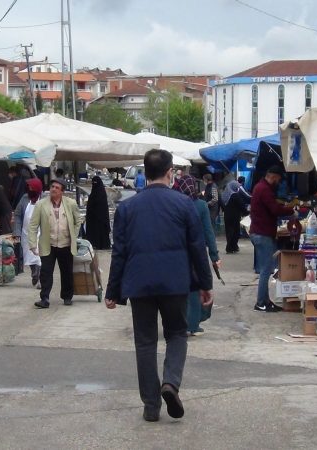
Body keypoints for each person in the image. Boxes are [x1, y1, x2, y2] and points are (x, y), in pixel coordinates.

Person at [105, 149, 213, 422]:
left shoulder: (127, 208)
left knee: (145, 342)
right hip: (175, 282)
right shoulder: (184, 204)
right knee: (176, 334)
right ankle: (171, 383)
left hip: (139, 283)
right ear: (170, 172)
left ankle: (151, 406)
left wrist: (112, 291)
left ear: (145, 172)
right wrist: (205, 284)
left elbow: (119, 252)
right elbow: (197, 247)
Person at [173, 175, 220, 336]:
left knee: (180, 288)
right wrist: (214, 255)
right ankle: (192, 325)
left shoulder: (174, 203)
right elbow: (208, 232)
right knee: (195, 287)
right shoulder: (200, 205)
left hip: (175, 252)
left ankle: (180, 322)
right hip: (195, 252)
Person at [28, 178, 83, 308]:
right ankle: (45, 298)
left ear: (62, 191)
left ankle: (67, 296)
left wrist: (73, 235)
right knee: (46, 272)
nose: (53, 189)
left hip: (66, 244)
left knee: (67, 272)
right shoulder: (41, 204)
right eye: (52, 187)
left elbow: (78, 221)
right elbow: (33, 226)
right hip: (48, 244)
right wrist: (32, 244)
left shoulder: (70, 203)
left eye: (57, 188)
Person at [249, 166, 294, 312]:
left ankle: (266, 301)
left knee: (266, 268)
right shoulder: (264, 189)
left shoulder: (261, 187)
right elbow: (274, 209)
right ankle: (261, 302)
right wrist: (291, 210)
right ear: (273, 177)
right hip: (262, 234)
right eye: (278, 179)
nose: (278, 183)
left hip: (260, 232)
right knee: (266, 270)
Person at [14, 178, 44, 287]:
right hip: (26, 232)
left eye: (32, 187)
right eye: (29, 187)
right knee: (29, 255)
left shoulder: (44, 199)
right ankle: (34, 272)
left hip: (41, 232)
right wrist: (17, 232)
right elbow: (17, 215)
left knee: (39, 256)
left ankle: (40, 277)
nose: (30, 189)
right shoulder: (24, 198)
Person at [84, 175, 112, 250]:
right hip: (94, 219)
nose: (94, 184)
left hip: (101, 219)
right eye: (93, 183)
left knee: (100, 231)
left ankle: (101, 244)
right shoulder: (95, 194)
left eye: (96, 183)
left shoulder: (101, 194)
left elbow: (103, 208)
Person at [221, 180, 248, 253]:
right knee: (235, 232)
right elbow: (241, 205)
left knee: (229, 232)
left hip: (227, 216)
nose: (238, 188)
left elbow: (222, 205)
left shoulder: (225, 195)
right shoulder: (235, 195)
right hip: (235, 216)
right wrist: (247, 212)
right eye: (237, 187)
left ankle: (230, 247)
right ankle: (232, 247)